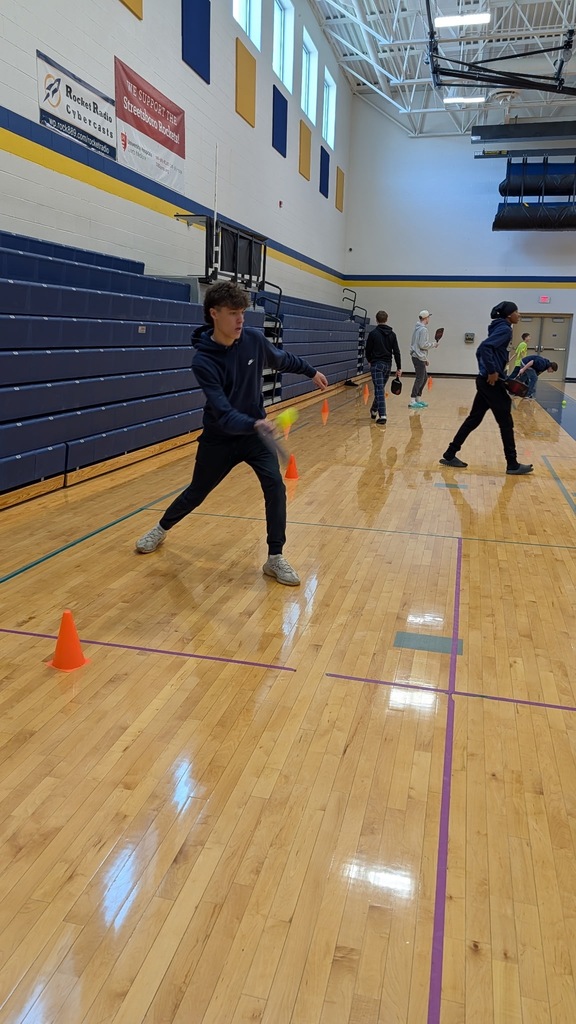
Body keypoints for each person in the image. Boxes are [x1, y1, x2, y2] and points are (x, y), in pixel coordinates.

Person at [135, 281, 328, 585]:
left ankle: (275, 557)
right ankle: (160, 529)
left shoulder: (252, 339)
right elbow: (222, 410)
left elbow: (281, 359)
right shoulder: (204, 360)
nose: (241, 320)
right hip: (220, 437)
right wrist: (254, 423)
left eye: (243, 313)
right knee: (196, 492)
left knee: (275, 487)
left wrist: (310, 371)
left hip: (254, 436)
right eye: (233, 313)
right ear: (214, 313)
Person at [439, 301, 533, 475]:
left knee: (474, 419)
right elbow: (484, 348)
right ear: (508, 315)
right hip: (491, 383)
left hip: (486, 382)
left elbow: (489, 352)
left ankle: (450, 454)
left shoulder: (499, 327)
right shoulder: (505, 329)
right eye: (516, 312)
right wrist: (491, 371)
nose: (519, 314)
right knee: (506, 422)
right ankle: (512, 464)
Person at [365, 310, 402, 424]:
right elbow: (396, 352)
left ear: (376, 320)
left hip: (376, 365)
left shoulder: (373, 334)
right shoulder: (392, 334)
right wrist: (399, 368)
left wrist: (370, 360)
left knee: (379, 389)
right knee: (379, 389)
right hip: (387, 366)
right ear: (387, 319)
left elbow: (368, 350)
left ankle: (383, 415)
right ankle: (374, 410)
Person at [409, 310, 437, 409]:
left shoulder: (417, 328)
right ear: (425, 318)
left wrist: (425, 358)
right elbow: (422, 345)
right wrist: (433, 344)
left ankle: (418, 398)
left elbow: (417, 344)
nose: (429, 319)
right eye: (428, 317)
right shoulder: (423, 330)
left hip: (417, 356)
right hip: (418, 356)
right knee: (420, 378)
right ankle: (412, 400)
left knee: (424, 378)